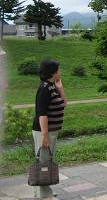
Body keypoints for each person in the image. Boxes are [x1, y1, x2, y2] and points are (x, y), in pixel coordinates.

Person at [32, 60, 67, 199]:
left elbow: (64, 104)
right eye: (59, 69)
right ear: (53, 72)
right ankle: (44, 195)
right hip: (44, 131)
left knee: (46, 160)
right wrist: (44, 135)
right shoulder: (44, 88)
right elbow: (42, 113)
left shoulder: (53, 86)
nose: (60, 72)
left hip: (52, 131)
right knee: (44, 162)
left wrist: (60, 88)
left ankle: (42, 191)